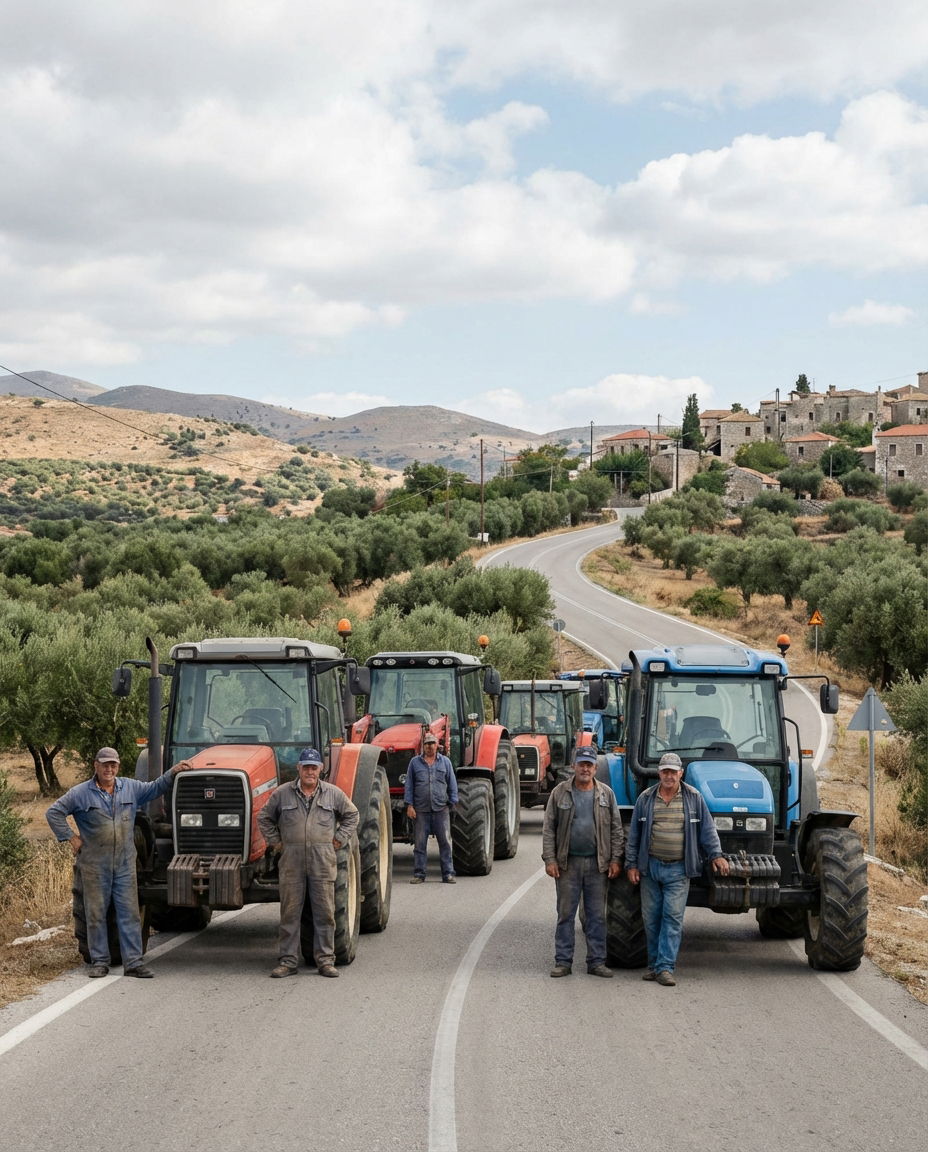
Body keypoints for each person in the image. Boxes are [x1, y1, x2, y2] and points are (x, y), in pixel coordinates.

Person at [46, 746, 195, 979]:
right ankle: (99, 962)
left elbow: (155, 787)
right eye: (105, 764)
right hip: (94, 865)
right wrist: (71, 838)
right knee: (96, 914)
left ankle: (134, 963)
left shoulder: (130, 787)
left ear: (118, 766)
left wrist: (173, 772)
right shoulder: (80, 793)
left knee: (130, 913)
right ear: (96, 765)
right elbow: (54, 812)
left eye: (113, 764)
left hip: (125, 864)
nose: (109, 768)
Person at [625, 750, 731, 986]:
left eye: (673, 772)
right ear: (659, 773)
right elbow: (634, 835)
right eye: (665, 771)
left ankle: (665, 967)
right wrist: (631, 864)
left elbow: (707, 830)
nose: (669, 776)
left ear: (681, 773)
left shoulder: (694, 798)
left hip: (679, 870)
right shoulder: (645, 799)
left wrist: (716, 855)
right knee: (651, 919)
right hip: (650, 867)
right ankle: (653, 966)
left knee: (672, 918)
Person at [257, 746, 359, 978]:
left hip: (322, 861)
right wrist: (275, 842)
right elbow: (263, 817)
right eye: (306, 767)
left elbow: (352, 815)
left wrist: (339, 839)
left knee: (325, 913)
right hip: (291, 861)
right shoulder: (282, 794)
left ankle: (325, 961)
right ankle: (288, 961)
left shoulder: (333, 794)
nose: (310, 772)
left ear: (320, 770)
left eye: (314, 768)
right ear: (299, 768)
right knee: (290, 913)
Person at [542, 745, 624, 978]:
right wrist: (550, 859)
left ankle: (596, 962)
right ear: (573, 766)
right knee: (565, 914)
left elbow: (616, 829)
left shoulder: (606, 794)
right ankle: (563, 962)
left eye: (589, 765)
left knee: (597, 916)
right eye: (581, 764)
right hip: (568, 865)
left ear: (595, 768)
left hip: (598, 865)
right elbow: (549, 829)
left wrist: (616, 859)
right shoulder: (559, 793)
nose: (585, 768)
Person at [404, 731, 458, 884]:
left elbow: (452, 783)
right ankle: (419, 874)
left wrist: (453, 802)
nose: (430, 746)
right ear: (423, 746)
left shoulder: (445, 762)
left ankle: (448, 874)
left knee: (445, 843)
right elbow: (409, 786)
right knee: (420, 844)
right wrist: (409, 805)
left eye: (432, 743)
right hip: (421, 810)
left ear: (437, 745)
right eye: (427, 744)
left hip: (441, 809)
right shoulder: (414, 763)